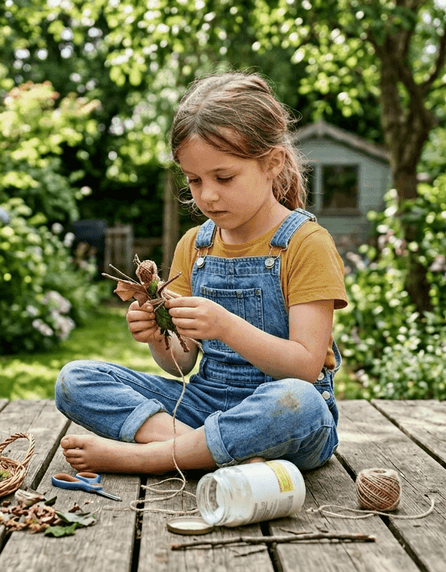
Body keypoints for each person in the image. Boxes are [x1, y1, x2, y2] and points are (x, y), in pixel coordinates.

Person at [55, 71, 348, 475]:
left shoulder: (306, 244)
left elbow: (304, 367)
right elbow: (182, 363)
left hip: (280, 413)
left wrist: (226, 326)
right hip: (202, 405)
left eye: (223, 177)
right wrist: (159, 339)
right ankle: (214, 451)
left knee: (300, 403)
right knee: (76, 380)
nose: (207, 195)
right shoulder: (196, 245)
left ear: (272, 163)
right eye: (194, 180)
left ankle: (155, 457)